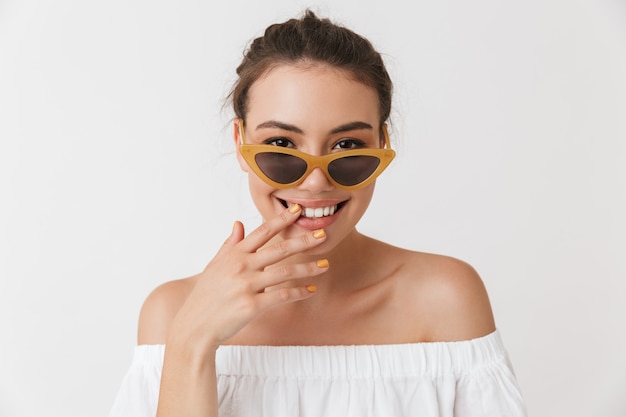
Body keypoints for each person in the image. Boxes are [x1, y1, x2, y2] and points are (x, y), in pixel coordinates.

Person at [109, 10, 527, 417]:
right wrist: (191, 342)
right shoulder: (172, 312)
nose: (314, 182)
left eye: (346, 146)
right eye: (282, 146)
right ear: (240, 143)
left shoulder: (445, 299)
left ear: (381, 143)